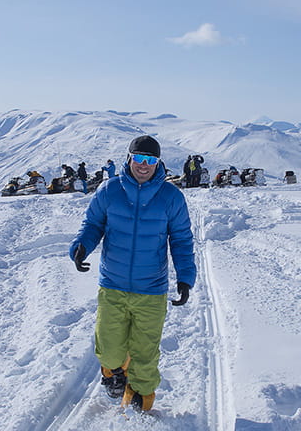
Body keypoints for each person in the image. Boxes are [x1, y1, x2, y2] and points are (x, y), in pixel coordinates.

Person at [70, 135, 196, 412]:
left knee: (145, 352)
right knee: (109, 348)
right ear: (129, 158)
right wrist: (82, 247)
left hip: (151, 288)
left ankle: (141, 397)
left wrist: (185, 278)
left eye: (151, 160)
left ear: (158, 163)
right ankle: (113, 371)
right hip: (112, 284)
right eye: (139, 158)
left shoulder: (171, 197)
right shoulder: (109, 190)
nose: (144, 165)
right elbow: (93, 224)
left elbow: (182, 240)